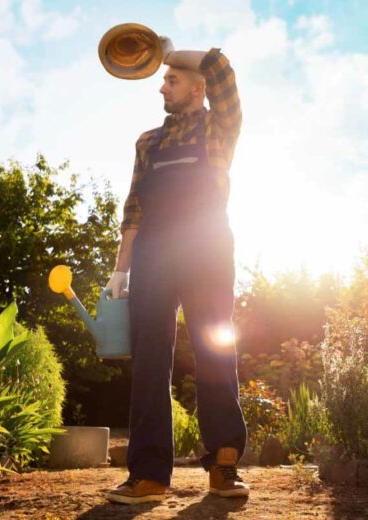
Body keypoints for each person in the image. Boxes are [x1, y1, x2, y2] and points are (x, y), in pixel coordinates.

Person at [103, 42, 249, 505]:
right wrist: (120, 271)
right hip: (153, 252)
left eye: (171, 79)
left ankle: (223, 465)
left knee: (214, 348)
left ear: (196, 86)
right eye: (163, 79)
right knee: (149, 358)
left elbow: (222, 70)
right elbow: (134, 210)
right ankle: (148, 476)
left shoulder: (218, 128)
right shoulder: (148, 142)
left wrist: (166, 50)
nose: (161, 87)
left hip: (206, 247)